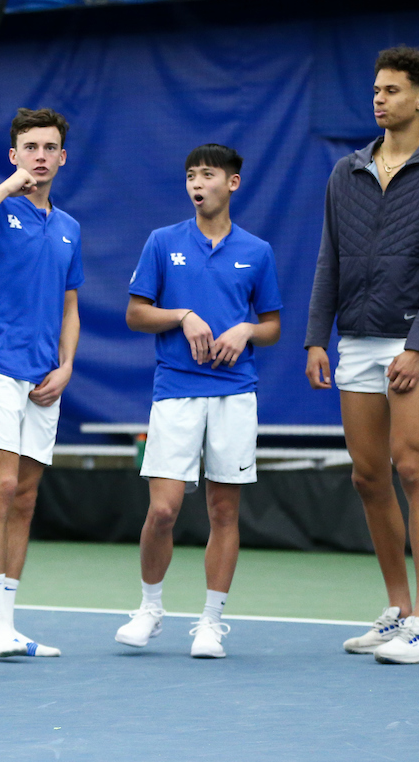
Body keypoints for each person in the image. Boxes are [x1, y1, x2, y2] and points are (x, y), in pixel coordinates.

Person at [305, 47, 419, 664]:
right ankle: (398, 609)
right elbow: (329, 257)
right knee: (368, 476)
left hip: (413, 342)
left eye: (392, 90)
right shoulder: (344, 172)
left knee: (413, 468)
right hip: (354, 340)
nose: (379, 98)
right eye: (376, 89)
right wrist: (316, 337)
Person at [116, 144, 281, 659]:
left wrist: (247, 330)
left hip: (234, 394)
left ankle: (211, 622)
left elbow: (272, 326)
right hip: (175, 391)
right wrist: (182, 315)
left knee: (224, 511)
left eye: (207, 175)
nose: (196, 183)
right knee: (163, 510)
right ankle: (149, 609)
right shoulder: (163, 242)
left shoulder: (257, 250)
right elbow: (136, 314)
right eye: (190, 175)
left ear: (232, 183)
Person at [0, 108, 82, 659]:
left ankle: (8, 624)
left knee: (26, 497)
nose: (40, 155)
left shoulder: (69, 228)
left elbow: (70, 306)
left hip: (44, 377)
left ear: (62, 157)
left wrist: (67, 365)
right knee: (3, 487)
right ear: (14, 155)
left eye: (49, 147)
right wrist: (7, 188)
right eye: (30, 147)